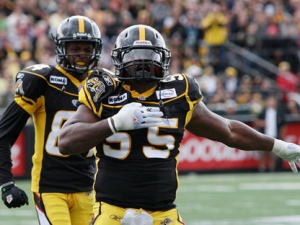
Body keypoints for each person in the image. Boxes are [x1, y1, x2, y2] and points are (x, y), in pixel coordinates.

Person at [58, 24, 300, 225]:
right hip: (112, 210)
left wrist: (277, 145)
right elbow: (66, 142)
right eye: (134, 56)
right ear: (120, 59)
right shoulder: (106, 90)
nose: (142, 63)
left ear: (162, 58)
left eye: (150, 56)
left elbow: (228, 131)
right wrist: (114, 123)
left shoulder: (177, 92)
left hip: (164, 213)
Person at [0, 15, 111, 225]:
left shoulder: (101, 83)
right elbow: (3, 134)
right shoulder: (43, 80)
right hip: (50, 187)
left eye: (87, 49)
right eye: (75, 48)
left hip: (88, 187)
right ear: (61, 48)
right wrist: (5, 182)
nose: (81, 55)